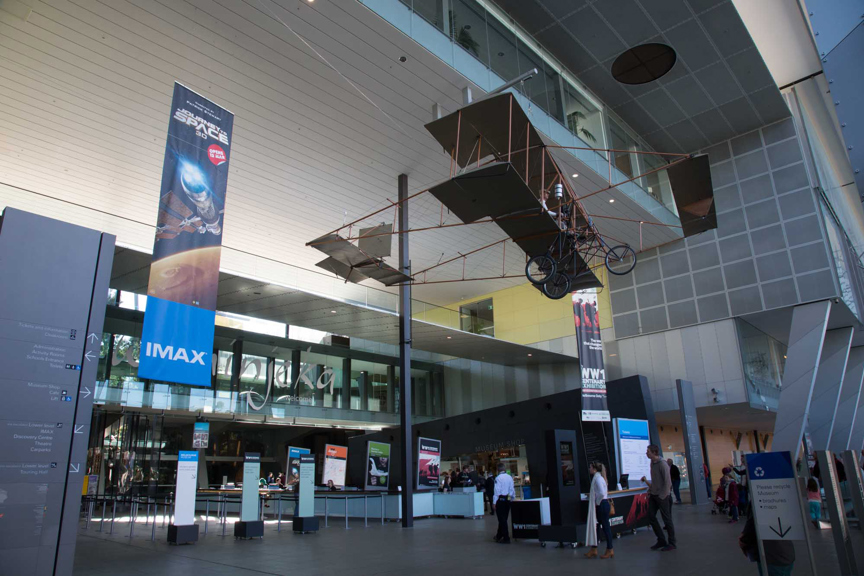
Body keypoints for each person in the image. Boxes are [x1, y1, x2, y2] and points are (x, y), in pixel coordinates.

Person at [641, 444, 676, 551]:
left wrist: (662, 496)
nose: (646, 453)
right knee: (650, 516)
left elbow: (667, 482)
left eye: (648, 451)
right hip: (654, 495)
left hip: (662, 496)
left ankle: (672, 543)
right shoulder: (652, 463)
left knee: (667, 519)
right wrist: (651, 490)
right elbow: (656, 481)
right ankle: (661, 540)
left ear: (654, 452)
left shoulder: (662, 464)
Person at [739, 511, 795, 576]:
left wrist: (743, 541)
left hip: (770, 555)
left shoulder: (760, 502)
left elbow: (752, 523)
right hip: (785, 551)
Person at [584, 461, 614, 560]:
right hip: (602, 504)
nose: (589, 469)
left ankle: (610, 549)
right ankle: (594, 548)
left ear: (595, 469)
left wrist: (597, 502)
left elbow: (601, 492)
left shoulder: (597, 479)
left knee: (605, 527)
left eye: (590, 467)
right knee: (597, 526)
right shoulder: (599, 478)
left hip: (601, 504)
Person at [492, 463, 515, 544]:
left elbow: (497, 491)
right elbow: (512, 489)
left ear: (498, 469)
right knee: (504, 518)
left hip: (501, 500)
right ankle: (499, 535)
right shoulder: (510, 477)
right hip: (508, 499)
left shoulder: (498, 478)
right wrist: (512, 499)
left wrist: (494, 502)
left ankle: (506, 537)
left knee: (502, 520)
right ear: (504, 469)